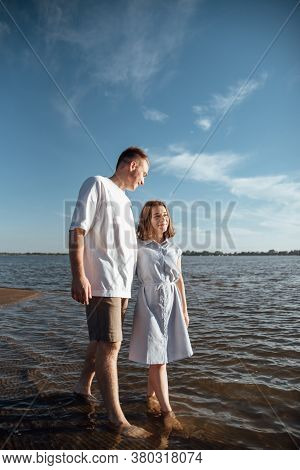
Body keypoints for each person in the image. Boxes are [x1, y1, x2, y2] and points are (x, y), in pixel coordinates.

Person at [69, 146, 150, 438]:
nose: (144, 180)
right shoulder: (97, 184)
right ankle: (117, 420)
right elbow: (77, 229)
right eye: (144, 173)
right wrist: (78, 275)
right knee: (110, 346)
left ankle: (82, 386)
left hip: (122, 285)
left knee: (101, 341)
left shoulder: (126, 203)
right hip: (102, 281)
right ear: (132, 166)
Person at [128, 200, 193, 432]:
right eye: (156, 216)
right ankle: (168, 412)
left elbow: (179, 280)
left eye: (165, 215)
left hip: (172, 301)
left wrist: (184, 310)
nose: (163, 219)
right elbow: (125, 275)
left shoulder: (175, 249)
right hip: (149, 302)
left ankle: (150, 397)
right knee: (158, 359)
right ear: (147, 220)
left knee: (158, 355)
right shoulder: (138, 247)